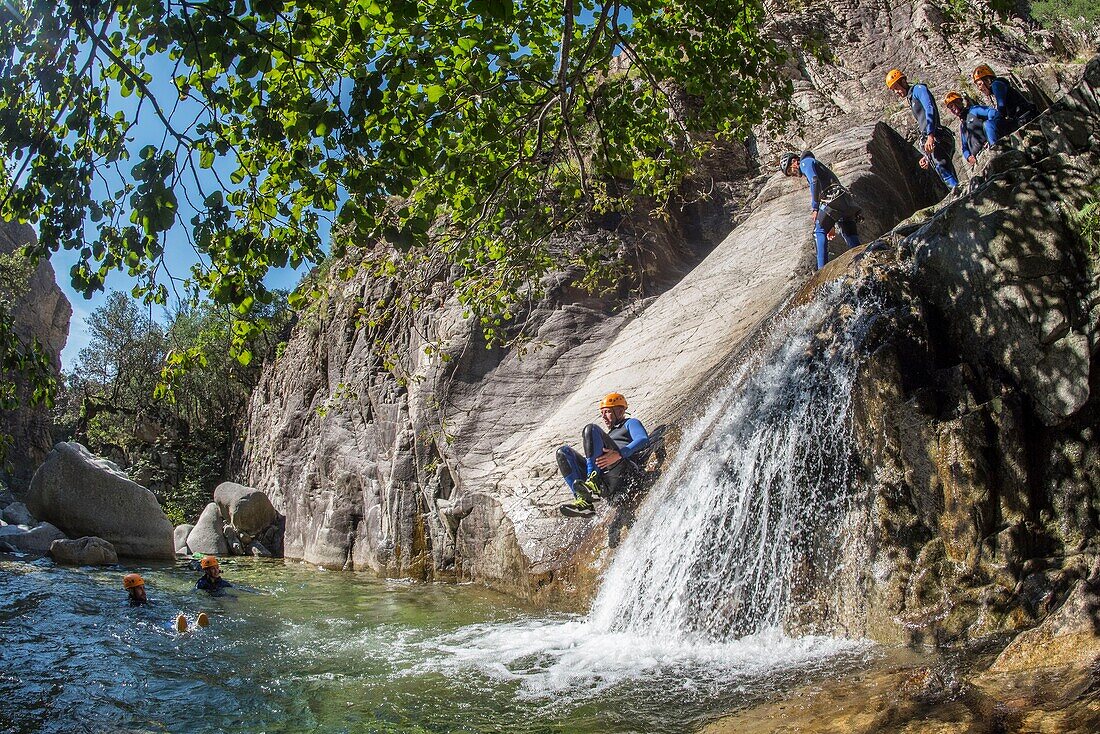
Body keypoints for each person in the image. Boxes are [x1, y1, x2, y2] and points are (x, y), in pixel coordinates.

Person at [557, 393, 650, 518]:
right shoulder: (607, 436)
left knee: (591, 429)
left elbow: (643, 439)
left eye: (607, 412)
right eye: (602, 413)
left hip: (622, 470)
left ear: (620, 411)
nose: (603, 417)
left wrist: (619, 454)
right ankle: (584, 501)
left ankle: (592, 483)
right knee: (563, 452)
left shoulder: (630, 423)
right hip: (604, 475)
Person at [780, 151, 861, 269]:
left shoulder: (805, 162)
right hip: (844, 201)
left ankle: (821, 271)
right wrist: (831, 226)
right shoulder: (816, 164)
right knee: (848, 233)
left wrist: (815, 207)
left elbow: (814, 181)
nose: (792, 174)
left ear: (794, 161)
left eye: (790, 170)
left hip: (833, 198)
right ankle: (862, 258)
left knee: (819, 231)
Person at [885, 68, 959, 189]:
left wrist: (930, 136)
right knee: (943, 169)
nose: (896, 92)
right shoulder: (911, 98)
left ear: (903, 82)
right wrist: (926, 156)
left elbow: (930, 108)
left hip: (936, 135)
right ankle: (961, 191)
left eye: (896, 87)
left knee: (942, 167)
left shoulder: (919, 89)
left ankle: (961, 193)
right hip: (932, 137)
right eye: (893, 90)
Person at [972, 64, 1036, 137]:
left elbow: (1001, 105)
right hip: (1022, 115)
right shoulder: (999, 85)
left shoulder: (996, 85)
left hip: (1024, 116)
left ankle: (995, 145)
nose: (980, 88)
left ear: (988, 80)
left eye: (980, 84)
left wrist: (997, 118)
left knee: (989, 125)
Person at [943, 91, 1000, 166]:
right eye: (950, 107)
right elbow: (964, 147)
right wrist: (968, 157)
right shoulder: (962, 126)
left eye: (955, 103)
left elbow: (992, 112)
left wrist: (990, 134)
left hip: (990, 148)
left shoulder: (973, 110)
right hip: (979, 158)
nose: (953, 107)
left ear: (960, 102)